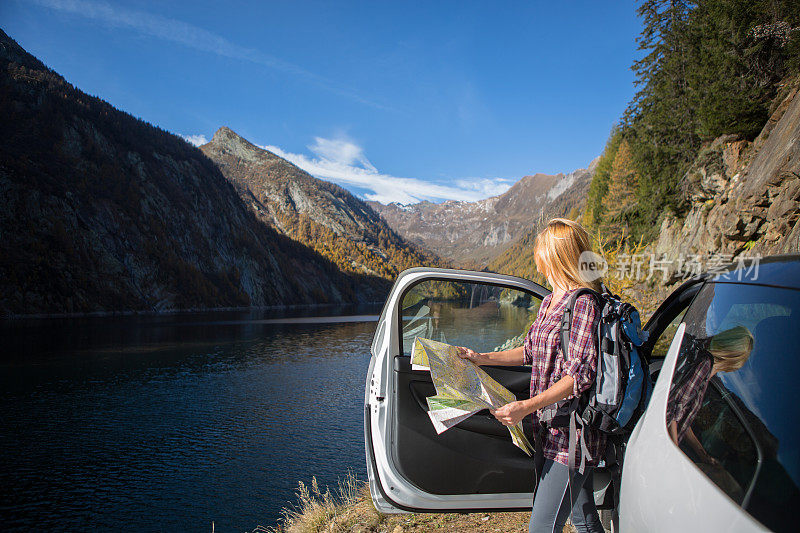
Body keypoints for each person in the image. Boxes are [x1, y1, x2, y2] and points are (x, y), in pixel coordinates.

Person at [457, 218, 605, 533]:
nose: (537, 264)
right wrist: (482, 358)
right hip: (548, 429)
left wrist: (527, 406)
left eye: (540, 256)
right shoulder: (551, 302)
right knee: (584, 515)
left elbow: (580, 375)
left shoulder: (583, 303)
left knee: (541, 527)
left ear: (556, 257)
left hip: (572, 436)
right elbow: (530, 351)